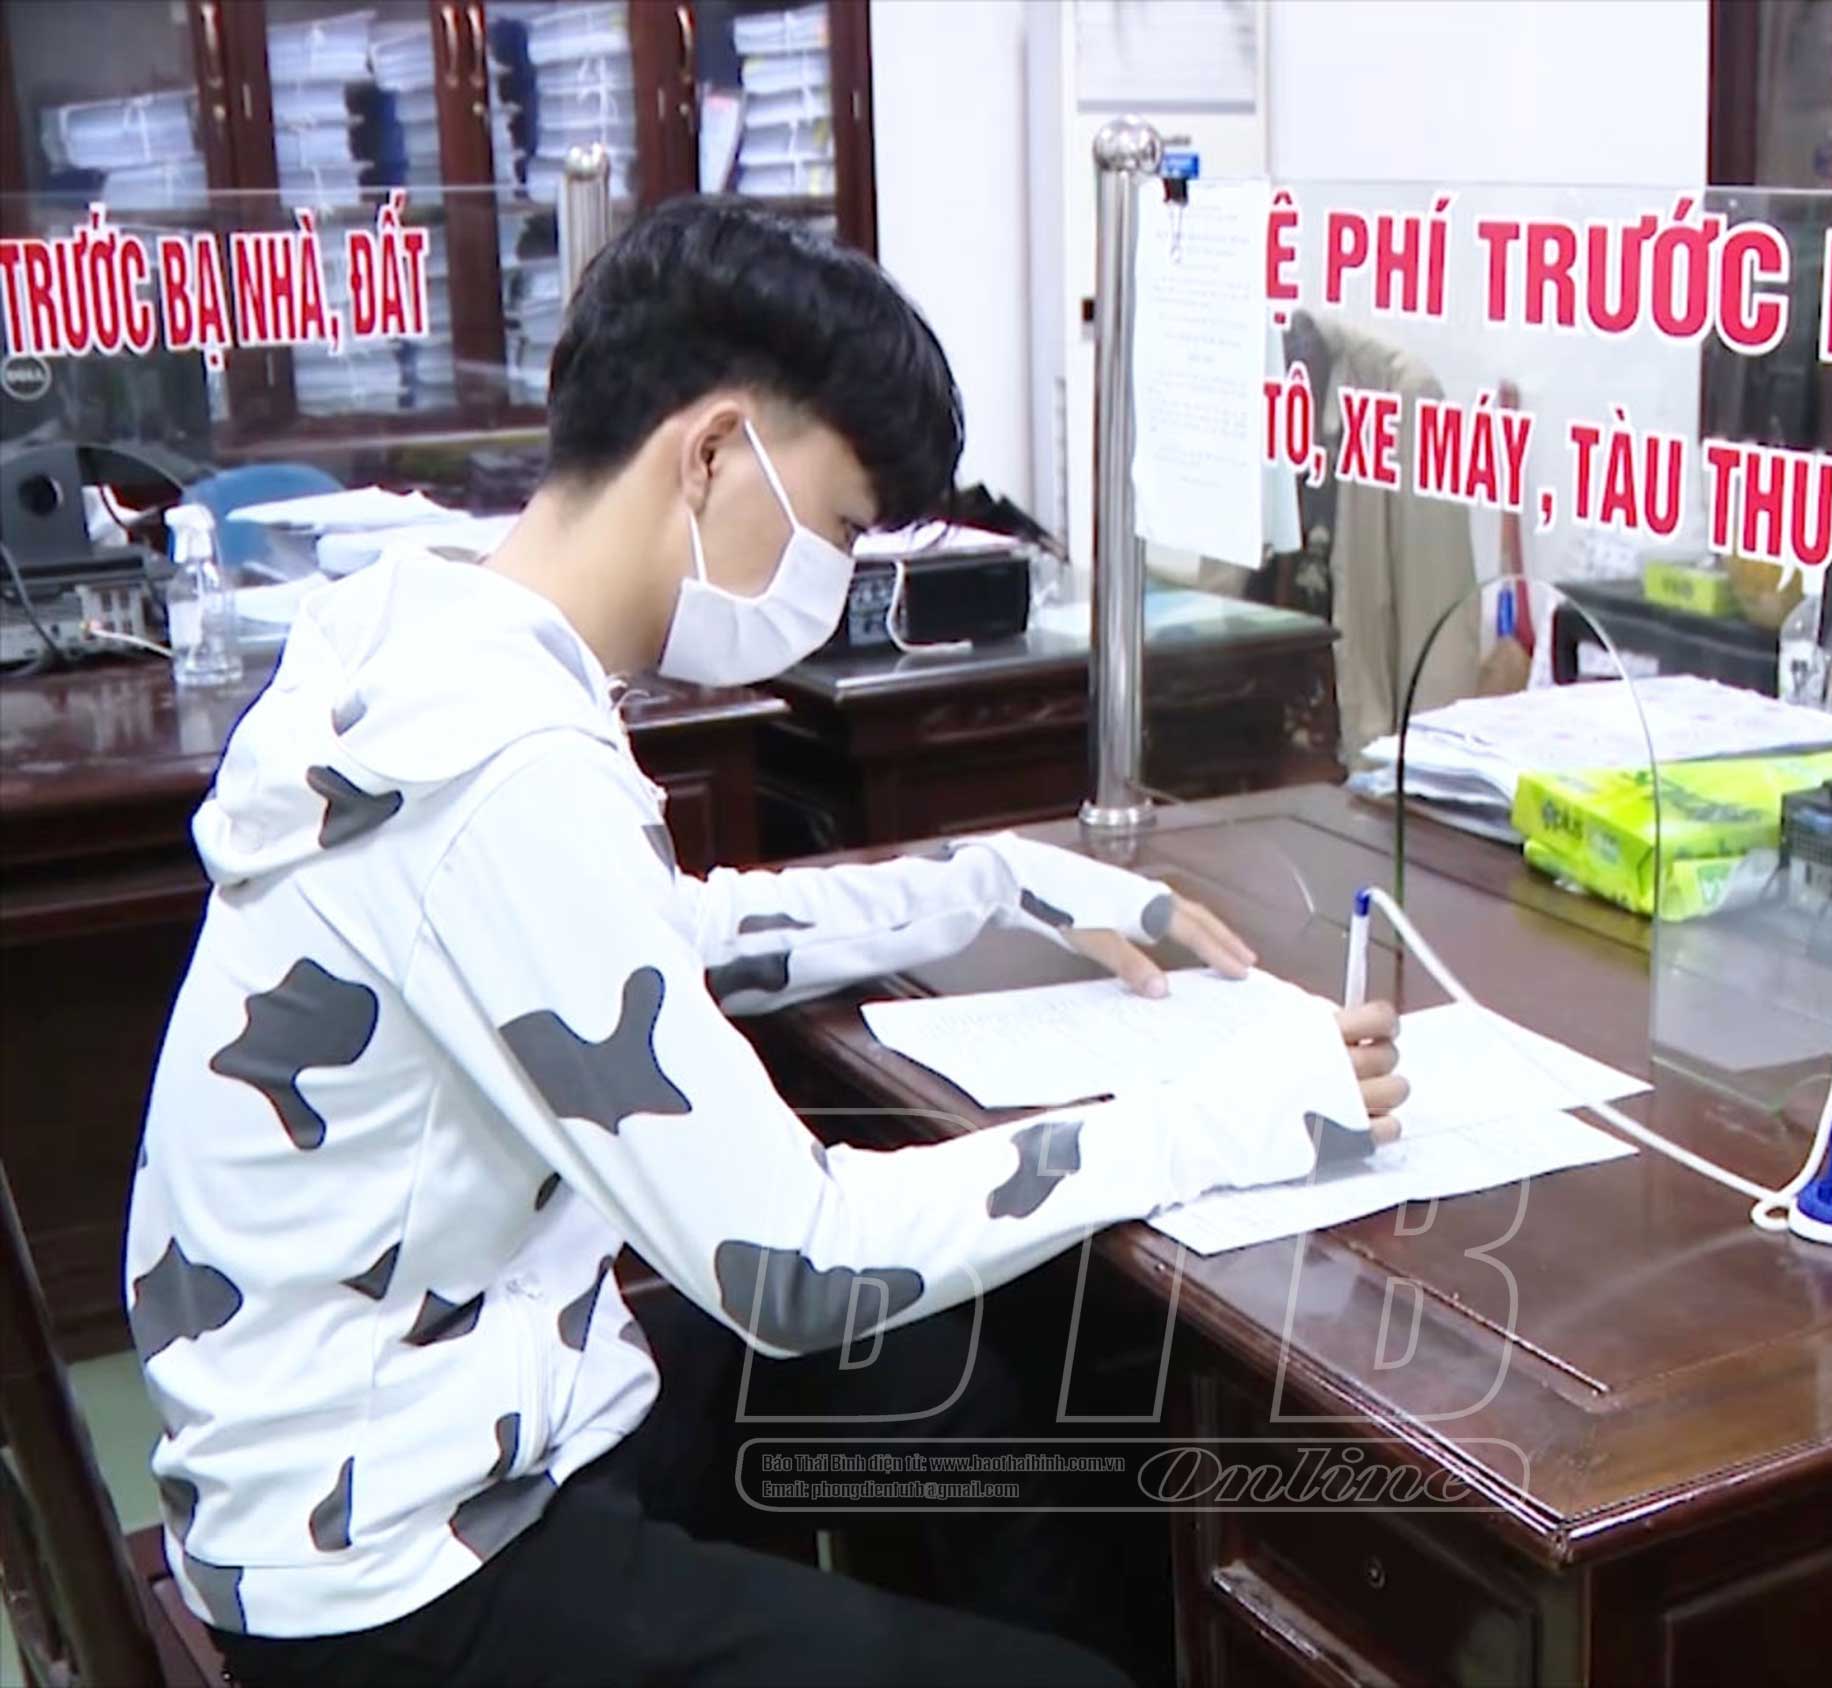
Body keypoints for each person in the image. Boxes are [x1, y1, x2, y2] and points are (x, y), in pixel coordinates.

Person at [125, 198, 1407, 1688]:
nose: (836, 576)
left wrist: (1001, 881)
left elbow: (663, 937)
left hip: (443, 1414)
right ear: (715, 452)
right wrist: (1217, 1120)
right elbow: (791, 1259)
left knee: (934, 1376)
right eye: (843, 528)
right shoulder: (499, 769)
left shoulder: (433, 651)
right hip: (392, 1571)